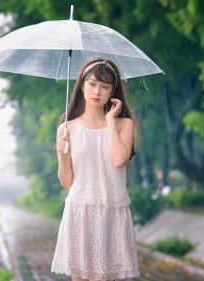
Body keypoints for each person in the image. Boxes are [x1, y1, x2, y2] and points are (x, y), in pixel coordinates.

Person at [51, 57, 140, 281]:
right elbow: (68, 182)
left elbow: (119, 159)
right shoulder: (66, 128)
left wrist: (110, 119)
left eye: (105, 86)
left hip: (111, 210)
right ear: (81, 85)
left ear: (113, 91)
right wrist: (62, 156)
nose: (97, 91)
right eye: (92, 83)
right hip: (80, 209)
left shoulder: (123, 124)